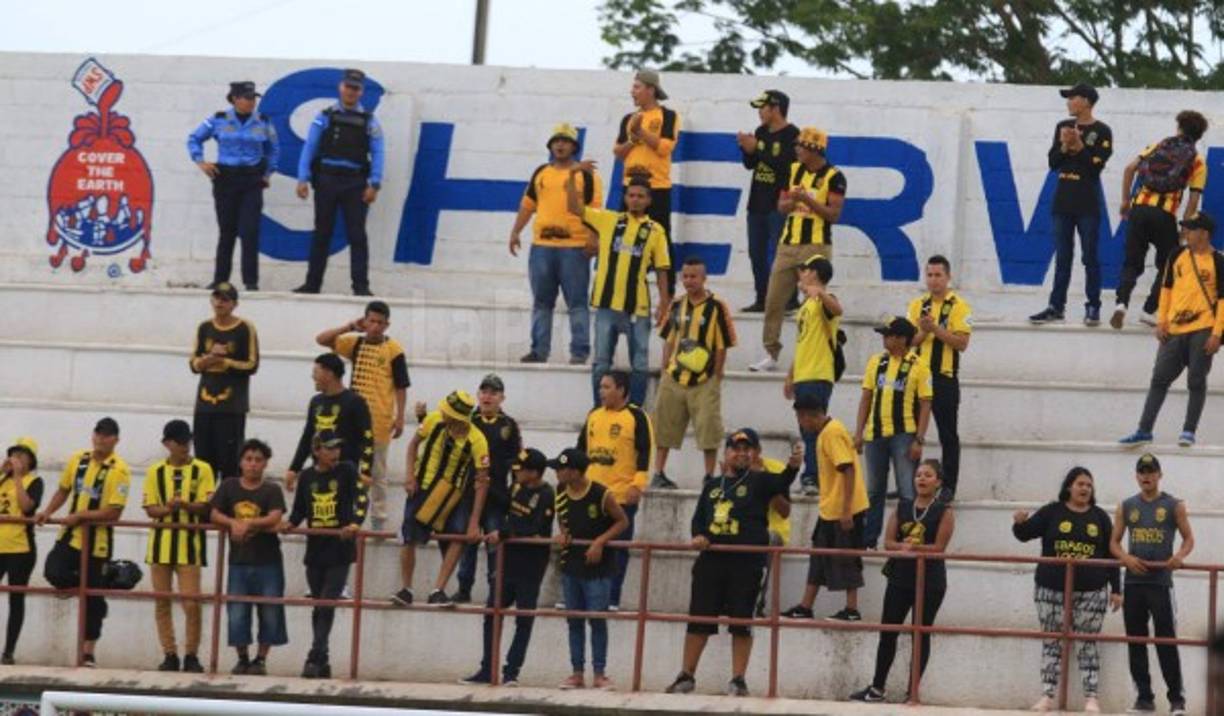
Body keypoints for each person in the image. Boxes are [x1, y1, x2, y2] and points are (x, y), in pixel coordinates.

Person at [664, 433, 800, 698]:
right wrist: (699, 536)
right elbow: (698, 520)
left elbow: (783, 481)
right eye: (735, 449)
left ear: (754, 454)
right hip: (711, 561)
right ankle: (686, 675)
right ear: (726, 453)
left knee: (742, 621)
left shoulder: (759, 481)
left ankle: (738, 679)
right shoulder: (712, 485)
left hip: (746, 563)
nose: (741, 453)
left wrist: (794, 466)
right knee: (699, 618)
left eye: (746, 449)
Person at [1012, 467, 1121, 713]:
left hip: (1092, 591)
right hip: (1050, 589)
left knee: (1088, 643)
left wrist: (1117, 589)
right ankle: (1047, 696)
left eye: (1089, 485)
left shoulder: (1100, 517)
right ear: (1069, 487)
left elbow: (1111, 554)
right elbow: (1025, 534)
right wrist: (1019, 523)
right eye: (1080, 484)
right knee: (1052, 640)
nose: (1085, 489)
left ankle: (1091, 698)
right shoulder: (1052, 512)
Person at [849, 459, 955, 704]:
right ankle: (877, 688)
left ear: (938, 482)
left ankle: (913, 693)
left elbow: (939, 547)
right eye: (918, 474)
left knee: (921, 633)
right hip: (900, 578)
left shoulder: (945, 511)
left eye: (928, 475)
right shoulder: (903, 506)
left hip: (930, 581)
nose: (921, 479)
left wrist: (915, 547)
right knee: (888, 631)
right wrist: (906, 548)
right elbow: (888, 542)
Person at [1119, 212, 1224, 448]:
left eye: (1191, 229)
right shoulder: (1176, 254)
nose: (1185, 232)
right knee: (1159, 379)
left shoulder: (1218, 261)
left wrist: (1217, 333)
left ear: (1204, 234)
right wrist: (1161, 321)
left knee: (1196, 380)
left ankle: (1188, 430)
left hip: (1203, 327)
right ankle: (1144, 429)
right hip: (1174, 329)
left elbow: (1223, 301)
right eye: (1185, 228)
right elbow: (1166, 290)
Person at [568, 170, 671, 407]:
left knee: (640, 364)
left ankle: (633, 411)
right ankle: (599, 409)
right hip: (606, 305)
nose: (635, 199)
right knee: (602, 363)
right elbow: (575, 208)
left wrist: (664, 303)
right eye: (631, 195)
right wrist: (574, 176)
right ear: (625, 197)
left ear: (648, 200)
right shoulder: (609, 220)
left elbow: (663, 268)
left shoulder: (656, 231)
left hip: (638, 307)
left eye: (640, 196)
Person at [34, 417, 130, 667]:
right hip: (70, 536)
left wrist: (81, 516)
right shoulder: (79, 459)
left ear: (116, 440)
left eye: (107, 435)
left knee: (94, 602)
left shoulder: (119, 470)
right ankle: (102, 581)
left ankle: (88, 652)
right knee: (53, 572)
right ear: (92, 435)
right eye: (98, 433)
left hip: (97, 542)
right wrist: (48, 511)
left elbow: (113, 512)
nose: (101, 438)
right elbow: (64, 489)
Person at [750, 126, 846, 373]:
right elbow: (781, 206)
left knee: (813, 301)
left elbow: (833, 215)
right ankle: (771, 353)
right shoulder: (793, 170)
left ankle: (812, 352)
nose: (796, 150)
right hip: (787, 243)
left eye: (801, 146)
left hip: (816, 245)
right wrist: (792, 201)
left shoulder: (834, 176)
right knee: (773, 300)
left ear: (814, 149)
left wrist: (808, 201)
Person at [460, 447, 555, 686]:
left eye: (522, 469)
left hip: (531, 564)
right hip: (508, 561)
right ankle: (487, 669)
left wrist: (503, 532)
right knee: (492, 612)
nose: (517, 472)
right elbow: (507, 508)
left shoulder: (546, 494)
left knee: (523, 618)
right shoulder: (516, 486)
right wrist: (486, 486)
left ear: (534, 473)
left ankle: (511, 672)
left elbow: (535, 525)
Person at [511, 123, 603, 364]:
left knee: (577, 302)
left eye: (565, 141)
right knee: (541, 302)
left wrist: (593, 237)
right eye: (556, 141)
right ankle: (539, 350)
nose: (560, 145)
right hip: (542, 246)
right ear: (550, 145)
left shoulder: (587, 175)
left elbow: (595, 210)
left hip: (574, 246)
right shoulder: (541, 173)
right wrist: (516, 231)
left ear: (574, 146)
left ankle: (579, 352)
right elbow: (528, 204)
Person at [1109, 453, 1193, 715]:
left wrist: (1179, 556)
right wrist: (1126, 558)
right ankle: (1144, 699)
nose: (1146, 475)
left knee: (1166, 641)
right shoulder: (1126, 505)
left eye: (1151, 471)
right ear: (1136, 475)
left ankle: (1176, 701)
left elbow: (1189, 538)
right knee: (1136, 640)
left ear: (1159, 474)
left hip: (1160, 583)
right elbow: (1113, 542)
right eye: (1142, 471)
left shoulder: (1173, 505)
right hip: (1133, 583)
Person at [316, 301, 410, 530]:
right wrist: (349, 326)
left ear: (387, 325)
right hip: (351, 421)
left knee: (377, 471)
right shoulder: (354, 343)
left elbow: (401, 386)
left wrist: (399, 417)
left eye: (380, 322)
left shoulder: (394, 350)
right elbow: (322, 340)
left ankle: (378, 517)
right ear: (364, 321)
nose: (375, 326)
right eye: (371, 321)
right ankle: (346, 513)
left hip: (379, 420)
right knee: (347, 466)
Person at [392, 390, 490, 608]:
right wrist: (409, 476)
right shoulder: (434, 419)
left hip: (454, 493)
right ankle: (406, 588)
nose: (443, 414)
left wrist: (474, 521)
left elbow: (482, 481)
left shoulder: (477, 440)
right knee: (409, 536)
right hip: (422, 486)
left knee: (458, 535)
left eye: (448, 412)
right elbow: (413, 445)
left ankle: (438, 589)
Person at [1112, 110, 1210, 329]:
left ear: (1179, 128)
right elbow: (1193, 201)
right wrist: (1185, 229)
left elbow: (1129, 169)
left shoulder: (1159, 145)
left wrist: (1125, 201)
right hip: (1164, 214)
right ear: (1199, 135)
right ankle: (1149, 310)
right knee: (1169, 263)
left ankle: (1121, 304)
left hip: (1139, 210)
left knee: (1132, 261)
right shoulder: (1198, 161)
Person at [293, 68, 385, 296]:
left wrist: (374, 183)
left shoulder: (370, 121)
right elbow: (310, 147)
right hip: (326, 180)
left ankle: (361, 286)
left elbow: (379, 152)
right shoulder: (324, 116)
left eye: (356, 88)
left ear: (361, 91)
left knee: (357, 235)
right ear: (340, 87)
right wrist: (302, 178)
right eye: (348, 87)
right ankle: (312, 284)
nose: (351, 92)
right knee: (321, 233)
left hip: (355, 184)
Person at [1030, 83, 1112, 326]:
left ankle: (1093, 307)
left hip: (1087, 202)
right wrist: (1066, 145)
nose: (1068, 102)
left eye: (1072, 98)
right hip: (1062, 201)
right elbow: (1053, 162)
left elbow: (1095, 167)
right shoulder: (1062, 127)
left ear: (1086, 101)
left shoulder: (1102, 130)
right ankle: (1056, 306)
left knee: (1090, 257)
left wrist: (1080, 145)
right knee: (1062, 258)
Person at [283, 430, 364, 679]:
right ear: (316, 450)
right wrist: (290, 524)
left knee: (327, 602)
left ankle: (314, 656)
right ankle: (324, 659)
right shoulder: (307, 476)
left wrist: (354, 523)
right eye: (329, 448)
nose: (335, 453)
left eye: (337, 447)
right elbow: (299, 510)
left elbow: (361, 497)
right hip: (316, 548)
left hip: (339, 549)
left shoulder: (347, 470)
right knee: (319, 606)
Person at [652, 256, 737, 489]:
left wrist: (716, 375)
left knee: (708, 428)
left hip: (704, 379)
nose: (689, 281)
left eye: (694, 276)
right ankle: (658, 472)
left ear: (704, 278)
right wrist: (664, 370)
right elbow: (669, 339)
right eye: (685, 276)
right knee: (664, 426)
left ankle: (709, 476)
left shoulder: (717, 307)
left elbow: (722, 345)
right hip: (674, 376)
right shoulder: (677, 304)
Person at [782, 395, 869, 622]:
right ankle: (805, 606)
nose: (801, 424)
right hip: (830, 507)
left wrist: (847, 510)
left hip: (844, 508)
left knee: (846, 556)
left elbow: (847, 469)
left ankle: (852, 609)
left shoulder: (832, 433)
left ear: (809, 416)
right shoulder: (827, 432)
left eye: (800, 418)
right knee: (819, 556)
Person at [186, 81, 278, 291]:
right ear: (235, 99)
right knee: (227, 231)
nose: (251, 102)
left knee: (250, 231)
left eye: (253, 98)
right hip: (226, 178)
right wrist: (200, 161)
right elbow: (194, 138)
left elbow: (273, 149)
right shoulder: (219, 120)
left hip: (252, 179)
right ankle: (220, 280)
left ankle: (251, 281)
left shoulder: (263, 121)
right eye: (247, 97)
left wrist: (268, 172)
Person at [142, 419, 216, 674]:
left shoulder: (203, 469)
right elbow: (151, 509)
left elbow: (208, 506)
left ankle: (191, 654)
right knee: (162, 602)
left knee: (191, 602)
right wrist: (168, 509)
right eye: (180, 441)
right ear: (167, 444)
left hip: (190, 546)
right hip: (160, 546)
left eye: (188, 440)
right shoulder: (154, 472)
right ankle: (170, 654)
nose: (186, 446)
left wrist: (183, 505)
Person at [552, 448, 629, 691]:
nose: (557, 473)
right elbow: (562, 518)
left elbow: (622, 521)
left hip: (598, 568)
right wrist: (563, 534)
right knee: (574, 621)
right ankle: (576, 673)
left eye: (561, 469)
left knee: (597, 620)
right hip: (571, 564)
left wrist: (599, 541)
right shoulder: (560, 491)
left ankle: (599, 673)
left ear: (574, 472)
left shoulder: (601, 493)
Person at [853, 317, 932, 549]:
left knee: (907, 490)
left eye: (888, 335)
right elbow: (866, 397)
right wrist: (859, 432)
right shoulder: (875, 362)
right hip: (875, 434)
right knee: (874, 490)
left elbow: (926, 403)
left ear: (901, 339)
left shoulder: (919, 365)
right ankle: (870, 539)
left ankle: (904, 537)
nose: (884, 339)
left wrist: (919, 438)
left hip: (904, 435)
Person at [210, 439, 287, 675]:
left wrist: (247, 524)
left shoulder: (272, 489)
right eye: (249, 459)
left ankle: (261, 659)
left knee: (271, 611)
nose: (253, 464)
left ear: (265, 464)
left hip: (269, 560)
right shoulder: (229, 486)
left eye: (258, 460)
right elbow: (214, 513)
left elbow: (275, 516)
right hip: (238, 561)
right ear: (241, 462)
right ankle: (242, 658)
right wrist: (233, 522)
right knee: (237, 612)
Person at [578, 370, 653, 609]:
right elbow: (581, 451)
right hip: (591, 493)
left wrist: (638, 484)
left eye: (607, 387)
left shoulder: (637, 416)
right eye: (601, 387)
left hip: (621, 494)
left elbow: (645, 452)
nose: (601, 391)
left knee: (617, 548)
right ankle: (581, 595)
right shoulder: (593, 415)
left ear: (621, 390)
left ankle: (611, 598)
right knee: (584, 544)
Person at [907, 255, 972, 500]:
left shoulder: (958, 306)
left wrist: (935, 329)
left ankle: (948, 487)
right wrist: (924, 331)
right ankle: (908, 482)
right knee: (910, 431)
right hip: (917, 378)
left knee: (948, 434)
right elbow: (910, 342)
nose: (933, 280)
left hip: (944, 377)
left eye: (938, 275)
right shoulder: (917, 305)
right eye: (930, 275)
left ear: (948, 277)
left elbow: (962, 343)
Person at [453, 374, 521, 604]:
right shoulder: (468, 421)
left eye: (493, 392)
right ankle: (464, 587)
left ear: (502, 397)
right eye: (484, 391)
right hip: (469, 493)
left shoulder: (509, 426)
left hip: (497, 495)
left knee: (493, 542)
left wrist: (515, 490)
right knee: (467, 541)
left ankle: (495, 588)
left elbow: (517, 460)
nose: (487, 396)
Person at [613, 69, 680, 293]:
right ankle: (623, 288)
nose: (632, 92)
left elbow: (664, 147)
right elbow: (619, 151)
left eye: (637, 87)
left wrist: (641, 131)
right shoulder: (628, 119)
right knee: (624, 238)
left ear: (651, 90)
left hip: (657, 187)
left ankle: (667, 291)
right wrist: (633, 137)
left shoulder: (668, 116)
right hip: (630, 186)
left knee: (662, 239)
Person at [286, 355, 373, 519]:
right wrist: (294, 468)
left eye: (316, 372)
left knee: (342, 518)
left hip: (345, 472)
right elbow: (307, 438)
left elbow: (367, 438)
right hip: (320, 472)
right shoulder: (316, 402)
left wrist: (366, 471)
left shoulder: (355, 401)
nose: (313, 377)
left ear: (329, 373)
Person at [784, 255, 843, 493]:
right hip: (804, 374)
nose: (801, 274)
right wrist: (791, 375)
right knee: (805, 427)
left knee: (812, 426)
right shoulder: (806, 306)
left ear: (815, 274)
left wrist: (818, 292)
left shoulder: (822, 301)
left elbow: (838, 309)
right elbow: (802, 343)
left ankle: (813, 477)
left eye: (805, 270)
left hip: (818, 373)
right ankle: (814, 476)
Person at [189, 282, 259, 482]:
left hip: (231, 407)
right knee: (203, 464)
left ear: (234, 304)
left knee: (230, 463)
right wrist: (210, 358)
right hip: (204, 406)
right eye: (217, 298)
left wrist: (224, 361)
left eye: (225, 299)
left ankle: (228, 508)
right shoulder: (204, 328)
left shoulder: (245, 328)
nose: (220, 303)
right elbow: (193, 365)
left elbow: (252, 365)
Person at [738, 90, 799, 313]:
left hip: (779, 203)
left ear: (775, 109)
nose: (759, 113)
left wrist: (758, 149)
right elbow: (751, 164)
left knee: (781, 254)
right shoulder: (761, 132)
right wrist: (746, 149)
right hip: (757, 202)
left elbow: (786, 166)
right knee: (757, 253)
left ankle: (789, 298)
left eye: (762, 108)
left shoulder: (793, 135)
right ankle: (762, 297)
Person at [0, 437, 43, 665]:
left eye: (22, 454)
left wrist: (17, 477)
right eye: (14, 453)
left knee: (16, 599)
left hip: (20, 548)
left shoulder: (34, 481)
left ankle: (8, 651)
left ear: (31, 460)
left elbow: (27, 507)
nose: (16, 458)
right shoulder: (2, 479)